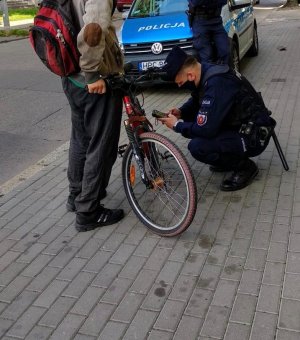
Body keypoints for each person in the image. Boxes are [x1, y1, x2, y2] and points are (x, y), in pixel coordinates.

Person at [159, 46, 276, 191]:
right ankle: (227, 158)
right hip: (241, 125)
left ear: (190, 75)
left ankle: (245, 167)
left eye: (180, 83)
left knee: (198, 146)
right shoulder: (205, 70)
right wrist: (181, 112)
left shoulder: (217, 83)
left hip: (254, 135)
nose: (179, 86)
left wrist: (177, 125)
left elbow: (205, 129)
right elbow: (196, 100)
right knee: (194, 121)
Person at [61, 0, 125, 232]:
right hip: (92, 80)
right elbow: (94, 28)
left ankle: (76, 196)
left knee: (80, 139)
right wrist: (92, 74)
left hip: (70, 76)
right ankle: (88, 211)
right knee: (102, 144)